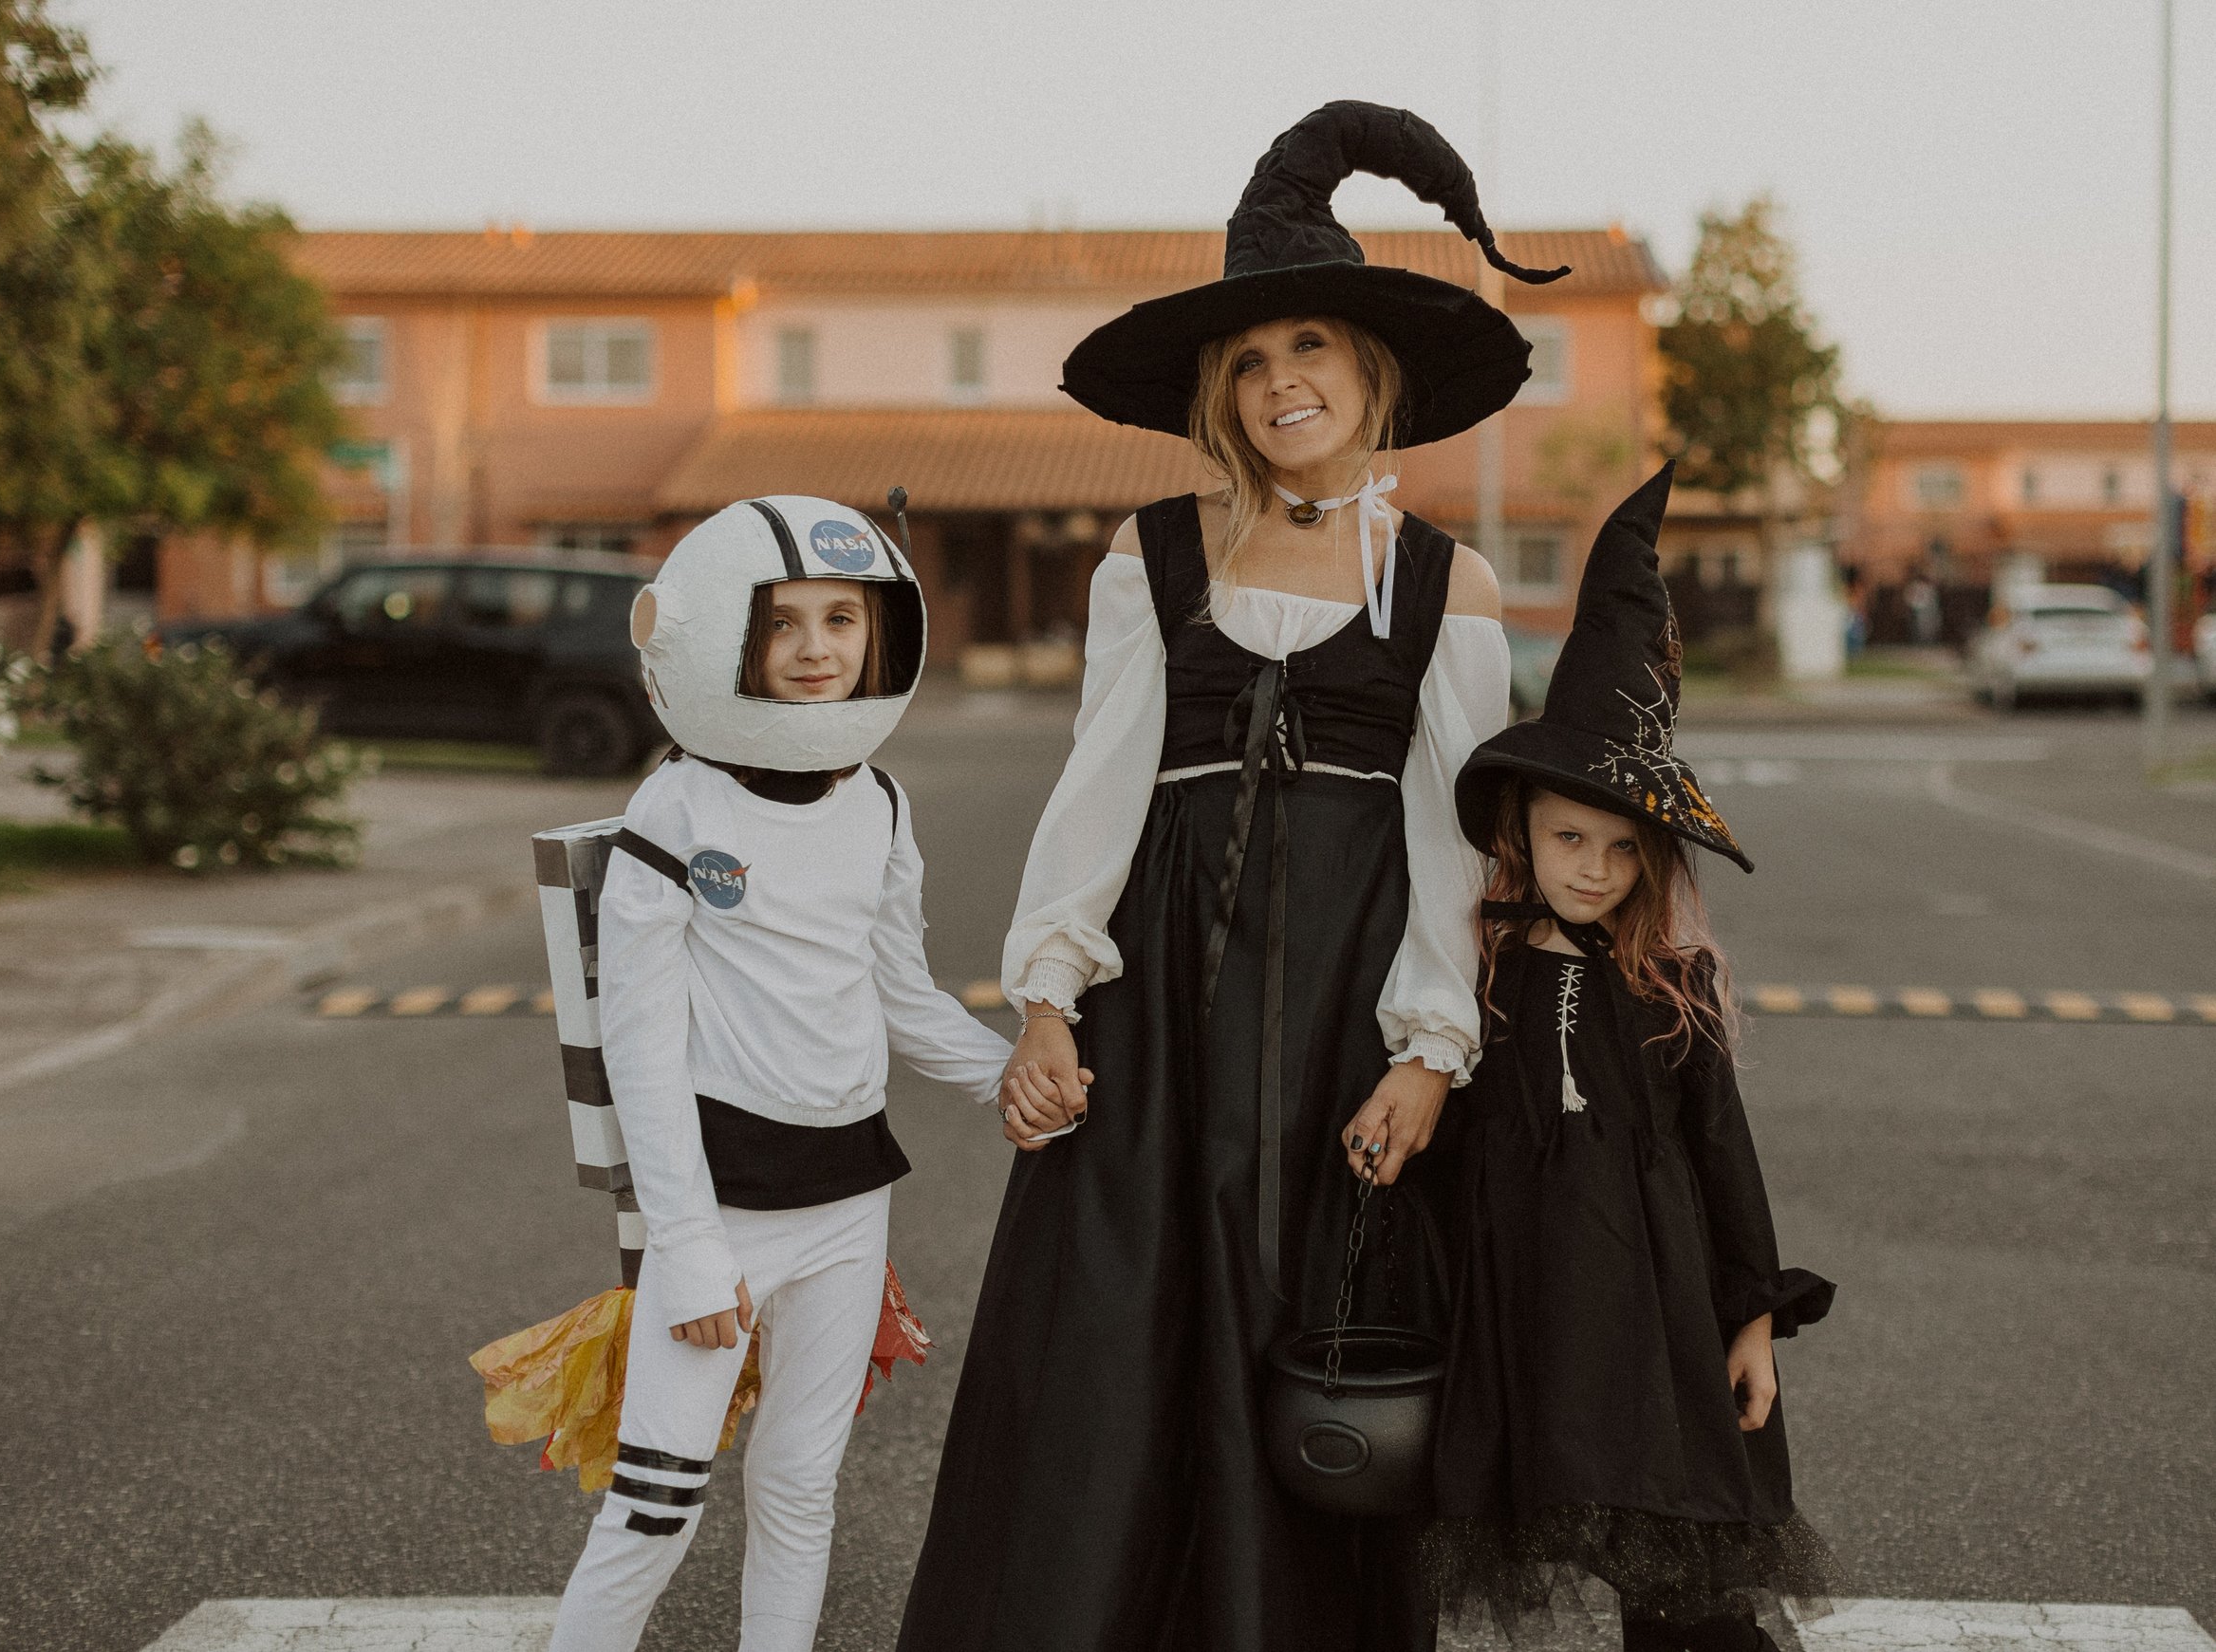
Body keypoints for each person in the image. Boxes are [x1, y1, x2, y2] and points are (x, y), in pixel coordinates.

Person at [898, 102, 1568, 1651]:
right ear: (1221, 393)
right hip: (1159, 1030)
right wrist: (1048, 999)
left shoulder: (1445, 585)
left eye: (1310, 346)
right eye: (1251, 361)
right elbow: (1099, 790)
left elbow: (1458, 839)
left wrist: (1431, 1052)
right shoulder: (1152, 558)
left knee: (1318, 1340)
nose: (1281, 382)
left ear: (1371, 370)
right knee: (1115, 1340)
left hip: (1345, 1020)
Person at [548, 495, 1016, 1652]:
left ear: (878, 632)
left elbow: (902, 992)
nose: (816, 648)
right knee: (655, 1504)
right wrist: (688, 1245)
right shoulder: (675, 804)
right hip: (719, 1208)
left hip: (851, 1200)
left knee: (801, 1486)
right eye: (783, 623)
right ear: (730, 635)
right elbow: (639, 1046)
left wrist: (1010, 1080)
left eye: (841, 620)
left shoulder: (883, 798)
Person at [1434, 466, 1843, 1650]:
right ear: (1520, 827)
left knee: (1679, 1563)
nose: (1594, 868)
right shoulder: (1474, 965)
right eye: (1569, 837)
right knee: (1518, 1497)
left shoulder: (1672, 979)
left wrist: (1750, 1319)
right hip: (1518, 1298)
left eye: (1624, 848)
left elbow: (1724, 1156)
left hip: (1656, 1310)